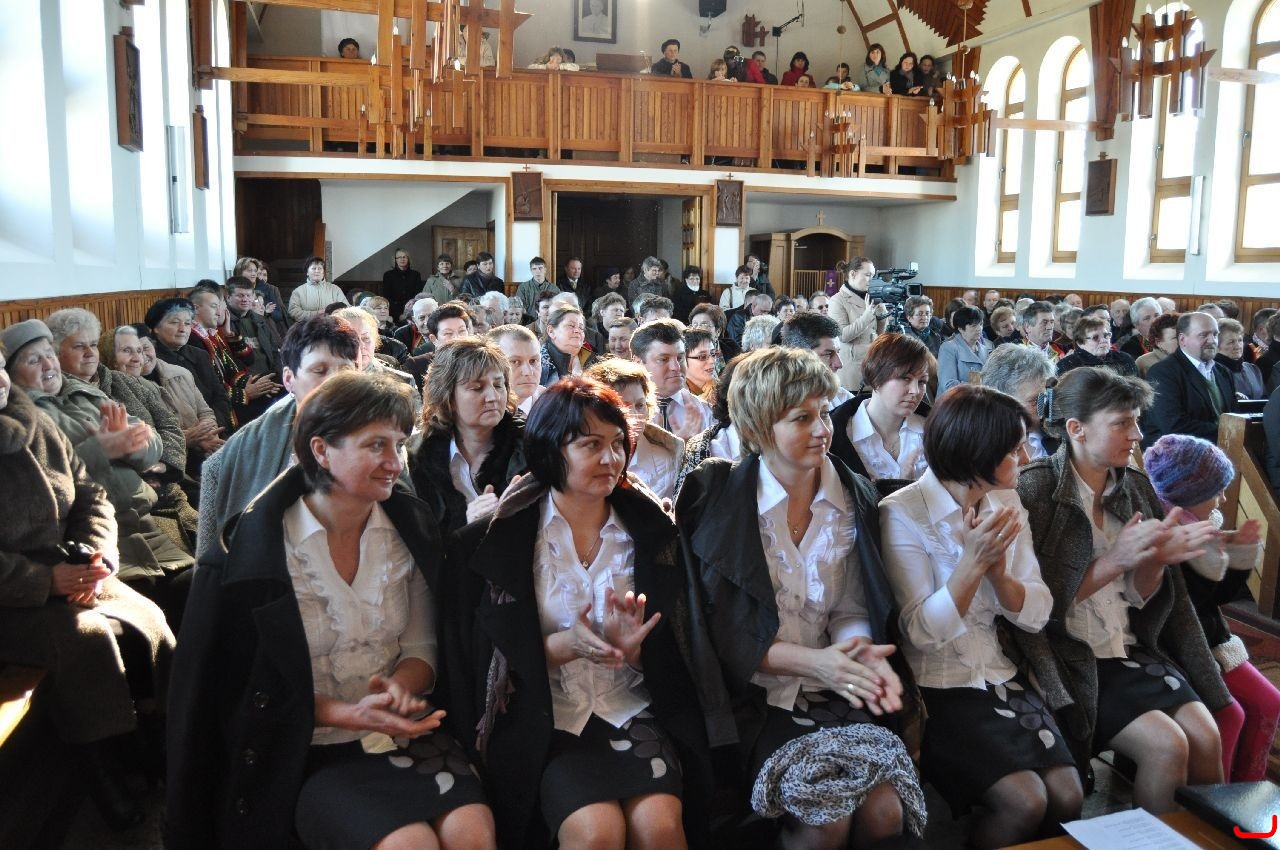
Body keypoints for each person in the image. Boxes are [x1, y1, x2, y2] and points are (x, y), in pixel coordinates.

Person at [168, 372, 493, 849]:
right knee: (408, 844)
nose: (394, 462)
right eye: (376, 445)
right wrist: (349, 713)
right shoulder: (252, 552)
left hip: (400, 733)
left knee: (473, 831)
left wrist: (396, 691)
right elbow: (239, 691)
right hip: (301, 746)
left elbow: (422, 646)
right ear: (320, 450)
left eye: (399, 444)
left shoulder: (409, 528)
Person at [440, 377, 718, 849]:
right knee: (595, 831)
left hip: (632, 707)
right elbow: (482, 659)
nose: (611, 459)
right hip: (545, 717)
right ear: (551, 450)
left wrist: (632, 651)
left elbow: (675, 656)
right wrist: (563, 646)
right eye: (591, 445)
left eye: (618, 443)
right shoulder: (496, 539)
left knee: (660, 826)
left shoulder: (653, 531)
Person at [676, 347, 926, 850]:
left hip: (834, 687)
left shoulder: (852, 495)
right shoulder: (717, 498)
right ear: (760, 426)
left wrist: (857, 654)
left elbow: (850, 606)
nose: (822, 430)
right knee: (824, 821)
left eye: (824, 413)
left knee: (884, 811)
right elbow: (724, 635)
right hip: (755, 697)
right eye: (801, 418)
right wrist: (820, 664)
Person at [1007, 366, 1229, 814]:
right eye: (1122, 423)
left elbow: (1140, 599)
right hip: (1070, 656)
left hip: (1127, 647)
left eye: (1137, 421)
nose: (1137, 435)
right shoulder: (1035, 489)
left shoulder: (1136, 488)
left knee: (1207, 737)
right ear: (1076, 429)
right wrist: (1114, 561)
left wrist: (1156, 561)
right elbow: (1033, 610)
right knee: (1167, 746)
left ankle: (1205, 841)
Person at [881, 385, 1081, 847]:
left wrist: (999, 575)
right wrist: (971, 565)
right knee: (1024, 801)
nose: (1027, 457)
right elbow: (921, 633)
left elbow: (1037, 612)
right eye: (1014, 450)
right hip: (937, 686)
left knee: (1068, 795)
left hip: (998, 670)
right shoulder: (903, 512)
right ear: (977, 453)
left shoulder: (1005, 502)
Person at [1144, 435, 1280, 782]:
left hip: (1213, 638)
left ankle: (1248, 786)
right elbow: (1192, 604)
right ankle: (1219, 796)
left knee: (1269, 703)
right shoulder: (1172, 535)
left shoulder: (1200, 526)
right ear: (1190, 494)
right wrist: (1228, 557)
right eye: (1216, 492)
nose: (1223, 499)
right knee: (1229, 717)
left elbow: (1218, 599)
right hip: (1186, 646)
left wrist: (1240, 554)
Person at [196, 315, 360, 559]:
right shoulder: (231, 458)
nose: (335, 381)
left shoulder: (385, 441)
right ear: (289, 379)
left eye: (345, 371)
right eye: (319, 370)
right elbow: (210, 562)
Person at [409, 337, 527, 536]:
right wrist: (467, 525)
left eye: (499, 385)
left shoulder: (530, 446)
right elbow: (421, 540)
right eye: (477, 388)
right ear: (447, 396)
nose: (493, 397)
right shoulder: (416, 458)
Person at [830, 333, 931, 490]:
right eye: (905, 378)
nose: (915, 391)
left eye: (922, 381)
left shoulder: (934, 431)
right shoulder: (838, 434)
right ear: (876, 378)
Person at [585, 359, 684, 502]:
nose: (634, 415)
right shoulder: (581, 458)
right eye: (623, 407)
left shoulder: (665, 462)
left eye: (640, 405)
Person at [1143, 311, 1237, 447]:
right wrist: (1226, 433)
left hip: (1221, 448)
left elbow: (1233, 416)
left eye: (1215, 334)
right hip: (1175, 452)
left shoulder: (1223, 372)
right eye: (1203, 335)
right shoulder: (1163, 372)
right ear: (1182, 340)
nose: (1212, 341)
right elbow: (1173, 425)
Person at [148, 296, 234, 433]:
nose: (183, 329)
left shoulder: (200, 355)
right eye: (174, 322)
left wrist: (212, 428)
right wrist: (195, 435)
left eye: (187, 323)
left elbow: (220, 396)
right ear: (156, 327)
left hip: (214, 430)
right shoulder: (149, 361)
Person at [633, 319, 713, 441]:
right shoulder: (625, 412)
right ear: (638, 362)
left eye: (680, 358)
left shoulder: (704, 411)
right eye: (663, 359)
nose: (676, 367)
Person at [981, 344, 1058, 462]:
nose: (1046, 406)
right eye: (1035, 401)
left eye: (1046, 396)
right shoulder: (983, 449)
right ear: (1002, 402)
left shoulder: (1058, 432)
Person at [828, 256, 890, 392]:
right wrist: (867, 316)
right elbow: (843, 336)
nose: (871, 280)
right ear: (852, 274)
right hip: (852, 369)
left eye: (873, 276)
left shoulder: (871, 297)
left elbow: (880, 335)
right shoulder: (837, 300)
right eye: (867, 275)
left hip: (873, 365)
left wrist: (882, 314)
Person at [1055, 314, 1138, 377]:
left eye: (1106, 335)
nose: (1104, 340)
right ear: (1080, 343)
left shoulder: (1124, 358)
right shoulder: (1068, 365)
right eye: (1095, 337)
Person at [490, 323, 545, 416]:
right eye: (515, 361)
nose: (528, 372)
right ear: (491, 364)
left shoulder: (558, 405)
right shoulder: (477, 412)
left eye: (533, 361)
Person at [540, 305, 600, 385]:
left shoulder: (595, 363)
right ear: (551, 331)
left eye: (581, 327)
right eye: (571, 325)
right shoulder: (536, 364)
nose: (577, 330)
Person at [937, 305, 990, 393]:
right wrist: (978, 389)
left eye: (981, 324)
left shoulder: (985, 349)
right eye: (973, 325)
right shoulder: (948, 348)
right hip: (954, 399)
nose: (979, 329)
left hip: (979, 398)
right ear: (960, 329)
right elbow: (948, 385)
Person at [1217, 317, 1267, 400]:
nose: (1237, 346)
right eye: (1231, 342)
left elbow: (1264, 399)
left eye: (1240, 340)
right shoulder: (1213, 372)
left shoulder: (1253, 369)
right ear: (1217, 345)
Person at [288, 256, 348, 321]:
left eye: (320, 268)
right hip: (307, 327)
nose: (317, 271)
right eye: (314, 268)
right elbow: (293, 312)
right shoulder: (298, 292)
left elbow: (347, 308)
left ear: (323, 272)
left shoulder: (335, 289)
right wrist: (318, 313)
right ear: (307, 272)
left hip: (331, 326)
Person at [1136, 312, 1180, 378]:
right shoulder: (1143, 363)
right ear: (1158, 342)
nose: (1182, 340)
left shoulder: (1193, 357)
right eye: (1175, 338)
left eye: (1184, 336)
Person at [515, 257, 560, 322]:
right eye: (534, 269)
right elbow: (519, 307)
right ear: (531, 271)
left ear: (545, 269)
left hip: (548, 322)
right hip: (528, 322)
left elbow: (557, 308)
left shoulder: (554, 289)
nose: (538, 271)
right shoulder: (523, 287)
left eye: (540, 268)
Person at [383, 247, 425, 311]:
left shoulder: (416, 274)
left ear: (408, 259)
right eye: (399, 257)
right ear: (395, 260)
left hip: (412, 308)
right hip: (394, 310)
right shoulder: (388, 275)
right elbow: (387, 296)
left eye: (404, 257)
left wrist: (411, 306)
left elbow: (418, 295)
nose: (402, 259)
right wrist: (397, 312)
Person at [682, 326, 717, 400]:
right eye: (702, 357)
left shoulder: (722, 390)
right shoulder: (676, 396)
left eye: (713, 354)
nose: (712, 361)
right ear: (683, 360)